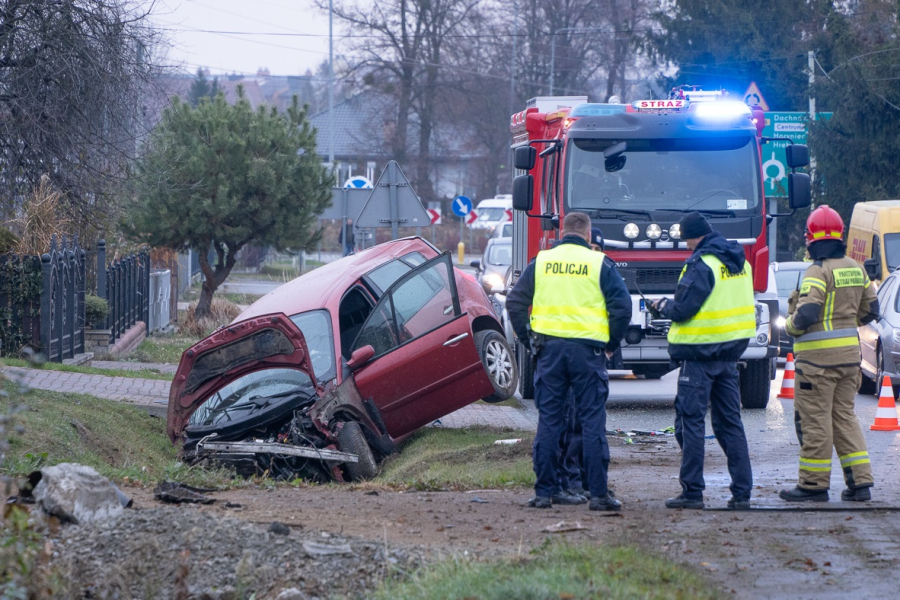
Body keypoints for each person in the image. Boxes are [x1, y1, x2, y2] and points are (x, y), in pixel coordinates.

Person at [507, 212, 631, 510]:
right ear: (588, 235)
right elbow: (623, 307)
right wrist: (611, 345)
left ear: (562, 233)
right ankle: (598, 495)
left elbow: (515, 302)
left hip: (549, 352)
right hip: (588, 354)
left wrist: (529, 340)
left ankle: (544, 492)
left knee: (549, 422)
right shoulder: (599, 263)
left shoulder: (542, 262)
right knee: (592, 423)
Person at [650, 212, 754, 510]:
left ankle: (692, 492)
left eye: (685, 239)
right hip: (729, 356)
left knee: (690, 424)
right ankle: (742, 493)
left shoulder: (701, 263)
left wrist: (662, 305)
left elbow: (683, 310)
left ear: (693, 236)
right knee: (730, 424)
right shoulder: (740, 262)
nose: (685, 245)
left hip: (698, 356)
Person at [779, 205, 878, 502]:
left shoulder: (817, 270)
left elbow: (807, 312)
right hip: (849, 360)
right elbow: (871, 311)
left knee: (815, 422)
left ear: (810, 238)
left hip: (816, 365)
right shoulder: (856, 268)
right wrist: (845, 323)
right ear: (840, 235)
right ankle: (860, 484)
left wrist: (790, 327)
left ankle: (813, 485)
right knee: (845, 418)